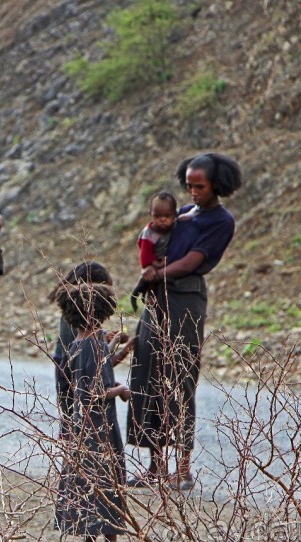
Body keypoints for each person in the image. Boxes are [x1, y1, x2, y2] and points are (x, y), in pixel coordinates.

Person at [126, 153, 241, 490]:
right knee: (147, 376)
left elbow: (193, 261)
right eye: (189, 185)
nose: (193, 192)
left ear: (216, 185)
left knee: (179, 380)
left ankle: (184, 469)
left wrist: (156, 273)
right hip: (158, 300)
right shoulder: (183, 214)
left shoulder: (221, 221)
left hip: (185, 301)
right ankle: (156, 466)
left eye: (199, 186)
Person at [52, 264, 131, 542]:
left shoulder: (82, 341)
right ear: (100, 313)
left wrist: (117, 347)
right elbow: (89, 393)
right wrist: (119, 391)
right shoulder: (89, 345)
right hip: (94, 430)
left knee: (100, 483)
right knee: (97, 483)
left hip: (93, 427)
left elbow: (99, 366)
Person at [50, 262, 133, 432]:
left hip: (68, 374)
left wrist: (108, 338)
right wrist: (121, 387)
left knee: (73, 426)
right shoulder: (80, 323)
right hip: (73, 380)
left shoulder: (75, 316)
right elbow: (95, 367)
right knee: (79, 427)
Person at [129, 192, 178, 312]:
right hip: (153, 262)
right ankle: (146, 297)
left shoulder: (176, 227)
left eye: (167, 216)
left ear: (174, 215)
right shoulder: (149, 233)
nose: (162, 220)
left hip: (165, 262)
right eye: (157, 217)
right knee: (150, 278)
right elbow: (145, 253)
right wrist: (153, 264)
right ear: (151, 214)